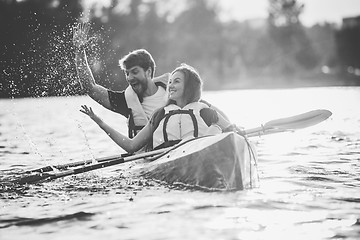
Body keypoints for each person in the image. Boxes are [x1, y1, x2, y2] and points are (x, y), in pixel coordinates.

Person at [73, 22, 229, 138]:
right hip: (152, 155)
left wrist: (230, 128)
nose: (129, 78)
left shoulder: (174, 89)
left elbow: (207, 108)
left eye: (134, 72)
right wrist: (79, 52)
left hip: (188, 146)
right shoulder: (126, 101)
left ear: (148, 71)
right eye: (127, 74)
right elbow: (91, 88)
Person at [80, 64, 236, 153]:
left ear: (189, 86)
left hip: (200, 152)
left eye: (176, 82)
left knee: (217, 129)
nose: (170, 85)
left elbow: (232, 133)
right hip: (166, 157)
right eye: (170, 82)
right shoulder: (160, 114)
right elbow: (131, 146)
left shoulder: (205, 111)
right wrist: (100, 123)